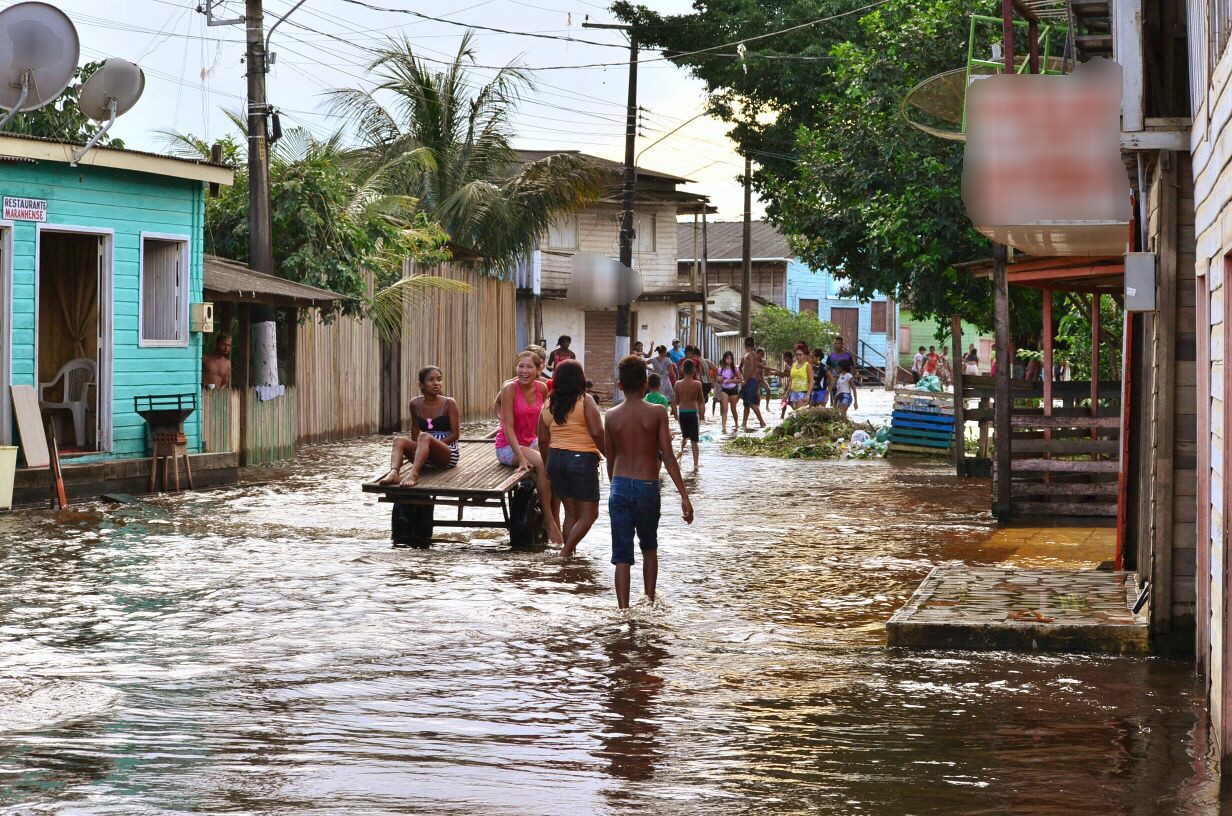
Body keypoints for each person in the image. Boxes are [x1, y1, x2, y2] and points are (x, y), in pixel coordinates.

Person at [604, 355, 694, 609]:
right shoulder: (657, 412)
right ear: (646, 384)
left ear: (620, 386)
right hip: (647, 487)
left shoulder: (611, 416)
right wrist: (684, 495)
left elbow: (610, 458)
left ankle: (623, 611)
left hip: (619, 486)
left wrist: (614, 487)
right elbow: (667, 455)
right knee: (649, 546)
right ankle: (650, 602)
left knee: (621, 555)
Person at [538, 360, 604, 558]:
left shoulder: (549, 403)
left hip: (556, 459)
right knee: (590, 514)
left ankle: (570, 555)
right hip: (581, 459)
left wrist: (548, 464)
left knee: (572, 513)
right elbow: (597, 432)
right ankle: (565, 553)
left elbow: (542, 439)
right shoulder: (585, 400)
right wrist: (610, 455)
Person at [495, 350, 563, 544]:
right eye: (520, 366)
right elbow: (507, 426)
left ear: (538, 369)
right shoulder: (509, 388)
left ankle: (555, 514)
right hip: (508, 446)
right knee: (542, 463)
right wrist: (521, 456)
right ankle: (550, 521)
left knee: (554, 463)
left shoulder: (542, 389)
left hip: (530, 441)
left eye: (529, 367)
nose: (524, 371)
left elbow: (542, 422)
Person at [378, 365, 460, 487]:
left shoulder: (449, 403)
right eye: (431, 380)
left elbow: (455, 434)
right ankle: (394, 472)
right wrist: (418, 449)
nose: (436, 383)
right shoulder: (415, 404)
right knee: (399, 441)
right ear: (421, 385)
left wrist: (431, 446)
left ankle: (413, 474)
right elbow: (415, 428)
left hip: (446, 454)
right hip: (424, 452)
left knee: (424, 436)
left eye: (439, 379)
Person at [673, 359, 705, 468]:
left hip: (682, 412)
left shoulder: (677, 384)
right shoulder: (697, 384)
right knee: (694, 441)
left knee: (684, 437)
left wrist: (675, 414)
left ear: (682, 370)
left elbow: (676, 401)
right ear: (694, 371)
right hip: (693, 413)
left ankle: (680, 458)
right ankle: (695, 465)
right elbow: (701, 401)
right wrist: (702, 415)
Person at [738, 336, 766, 431]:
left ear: (745, 345)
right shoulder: (749, 354)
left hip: (750, 381)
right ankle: (744, 423)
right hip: (749, 380)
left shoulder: (750, 355)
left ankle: (762, 422)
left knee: (751, 403)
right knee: (746, 404)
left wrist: (745, 379)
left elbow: (752, 368)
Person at [715, 350, 742, 433]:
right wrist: (719, 379)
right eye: (727, 359)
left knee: (733, 409)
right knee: (724, 409)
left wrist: (731, 381)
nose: (729, 360)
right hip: (724, 390)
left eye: (730, 359)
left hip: (733, 389)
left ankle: (736, 424)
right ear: (724, 359)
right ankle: (723, 427)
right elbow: (718, 380)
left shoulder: (735, 369)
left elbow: (740, 380)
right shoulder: (720, 369)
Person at [649, 346, 678, 414]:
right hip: (666, 381)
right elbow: (671, 373)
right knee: (671, 398)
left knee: (658, 397)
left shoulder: (653, 359)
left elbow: (643, 363)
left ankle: (658, 413)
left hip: (657, 381)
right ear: (664, 352)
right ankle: (675, 414)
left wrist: (651, 369)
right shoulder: (667, 360)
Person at [788, 347, 813, 411]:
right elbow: (791, 380)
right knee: (795, 413)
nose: (798, 356)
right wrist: (787, 393)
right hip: (793, 393)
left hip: (803, 392)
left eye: (800, 354)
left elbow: (811, 381)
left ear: (804, 355)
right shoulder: (793, 365)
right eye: (797, 354)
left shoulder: (807, 365)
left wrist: (808, 394)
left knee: (798, 411)